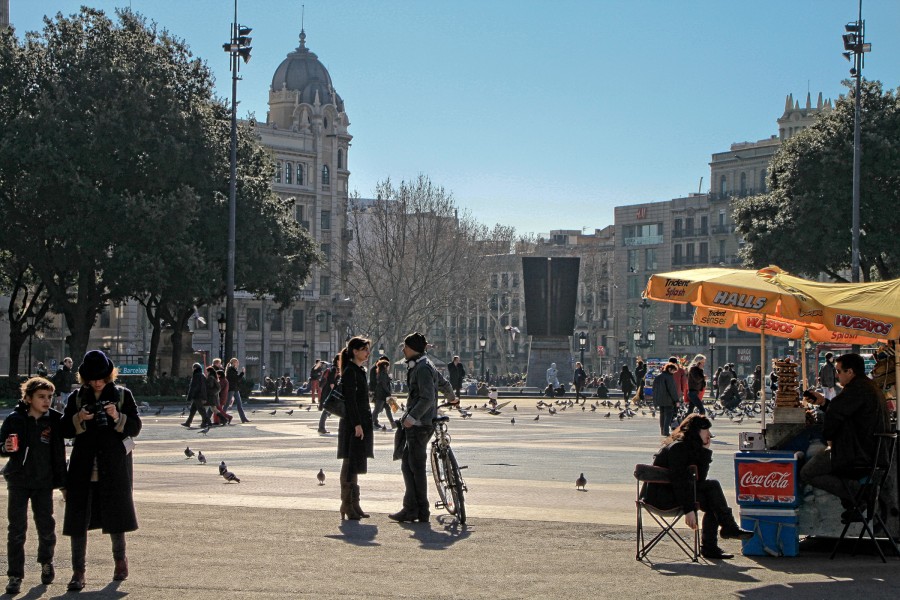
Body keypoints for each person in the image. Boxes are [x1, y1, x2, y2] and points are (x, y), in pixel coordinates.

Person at [61, 350, 142, 590]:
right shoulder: (76, 397)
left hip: (113, 465)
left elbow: (136, 427)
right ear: (85, 378)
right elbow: (64, 428)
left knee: (116, 517)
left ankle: (120, 561)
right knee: (78, 519)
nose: (97, 382)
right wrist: (79, 418)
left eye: (101, 378)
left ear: (109, 375)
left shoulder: (122, 395)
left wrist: (118, 416)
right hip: (83, 465)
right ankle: (78, 572)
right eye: (92, 378)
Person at [642, 414, 753, 559]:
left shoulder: (688, 447)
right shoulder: (678, 448)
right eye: (706, 431)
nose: (709, 435)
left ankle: (719, 537)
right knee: (712, 491)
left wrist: (705, 451)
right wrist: (689, 509)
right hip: (661, 497)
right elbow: (679, 481)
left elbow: (700, 481)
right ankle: (721, 534)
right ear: (697, 431)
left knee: (712, 493)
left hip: (672, 492)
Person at [800, 353, 890, 520]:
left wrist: (830, 437)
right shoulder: (867, 387)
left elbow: (835, 416)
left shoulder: (857, 389)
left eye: (839, 371)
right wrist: (823, 403)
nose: (836, 375)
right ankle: (856, 496)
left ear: (850, 372)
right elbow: (843, 410)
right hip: (869, 452)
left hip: (857, 455)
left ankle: (858, 495)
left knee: (807, 473)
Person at [1, 377, 66, 594]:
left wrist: (62, 483)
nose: (47, 401)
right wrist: (5, 447)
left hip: (43, 481)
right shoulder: (15, 419)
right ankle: (14, 575)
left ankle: (46, 562)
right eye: (41, 397)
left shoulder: (55, 420)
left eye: (49, 397)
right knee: (16, 529)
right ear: (28, 398)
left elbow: (59, 454)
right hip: (18, 479)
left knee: (46, 525)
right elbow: (2, 445)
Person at [389, 332, 456, 523]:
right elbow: (443, 383)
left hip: (419, 424)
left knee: (415, 467)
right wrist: (452, 398)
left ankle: (419, 511)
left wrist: (411, 417)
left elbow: (427, 397)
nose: (403, 349)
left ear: (414, 349)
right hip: (422, 421)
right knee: (408, 464)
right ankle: (412, 508)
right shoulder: (426, 365)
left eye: (406, 347)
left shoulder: (422, 368)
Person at [335, 337, 375, 520]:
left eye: (367, 349)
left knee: (355, 462)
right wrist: (357, 424)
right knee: (350, 463)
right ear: (355, 351)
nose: (367, 353)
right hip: (353, 424)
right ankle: (346, 504)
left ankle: (354, 504)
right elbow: (350, 400)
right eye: (364, 349)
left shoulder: (358, 370)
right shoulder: (350, 371)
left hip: (359, 422)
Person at [651, 363, 679, 436]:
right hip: (668, 400)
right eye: (673, 371)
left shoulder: (658, 377)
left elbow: (654, 389)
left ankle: (662, 430)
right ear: (669, 369)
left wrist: (655, 399)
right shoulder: (669, 377)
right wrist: (676, 400)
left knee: (662, 415)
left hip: (659, 399)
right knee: (668, 415)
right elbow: (672, 390)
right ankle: (666, 431)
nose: (674, 373)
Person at [181, 363, 210, 428]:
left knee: (201, 410)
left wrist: (190, 395)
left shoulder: (196, 375)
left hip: (197, 395)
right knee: (193, 410)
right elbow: (204, 386)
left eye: (193, 368)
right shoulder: (202, 375)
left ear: (195, 368)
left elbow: (194, 387)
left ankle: (207, 422)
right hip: (201, 394)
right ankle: (188, 422)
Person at [318, 355, 341, 434]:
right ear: (337, 361)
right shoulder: (334, 369)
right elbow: (331, 381)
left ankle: (321, 427)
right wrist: (333, 391)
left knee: (328, 409)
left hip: (330, 390)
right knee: (327, 409)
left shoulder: (336, 369)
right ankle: (321, 427)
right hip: (329, 391)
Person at [371, 357, 396, 429]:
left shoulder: (381, 373)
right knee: (377, 409)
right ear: (385, 366)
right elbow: (384, 384)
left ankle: (393, 423)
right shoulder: (383, 373)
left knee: (388, 408)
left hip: (383, 394)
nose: (388, 368)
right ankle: (371, 422)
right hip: (382, 394)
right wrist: (388, 392)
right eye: (388, 366)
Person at [225, 358, 249, 423]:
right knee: (227, 404)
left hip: (235, 388)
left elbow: (236, 379)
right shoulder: (231, 370)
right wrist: (242, 373)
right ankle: (222, 416)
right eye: (236, 362)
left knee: (239, 404)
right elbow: (236, 379)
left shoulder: (233, 370)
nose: (238, 364)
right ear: (233, 363)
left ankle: (243, 418)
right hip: (232, 388)